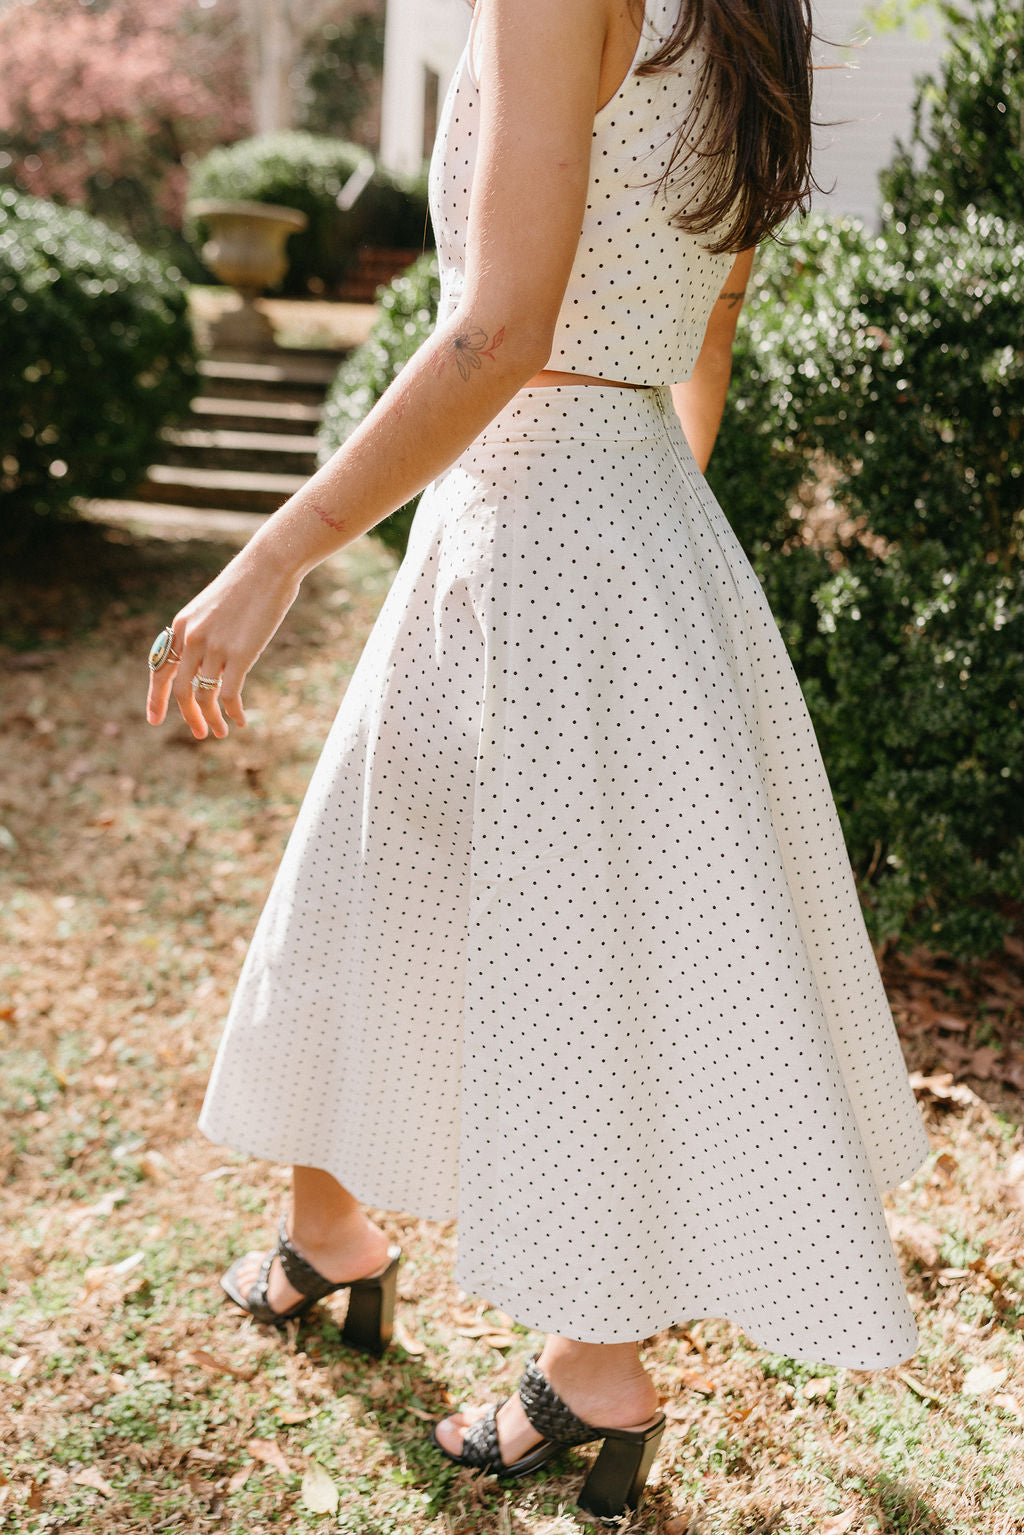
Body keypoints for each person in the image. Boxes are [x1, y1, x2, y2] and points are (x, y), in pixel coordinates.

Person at [145, 0, 932, 1520]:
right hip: (637, 519)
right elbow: (705, 324)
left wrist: (280, 552)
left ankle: (584, 1365)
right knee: (427, 899)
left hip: (535, 525)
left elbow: (500, 325)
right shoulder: (750, 17)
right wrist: (638, 551)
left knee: (446, 912)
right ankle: (343, 1234)